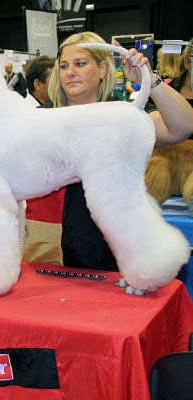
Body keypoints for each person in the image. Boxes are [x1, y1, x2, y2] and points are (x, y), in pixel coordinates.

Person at [23, 31, 193, 270]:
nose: (70, 72)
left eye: (80, 64)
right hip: (45, 254)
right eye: (63, 66)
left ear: (103, 69)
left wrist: (149, 79)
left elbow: (182, 127)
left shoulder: (121, 118)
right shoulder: (37, 119)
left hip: (107, 255)